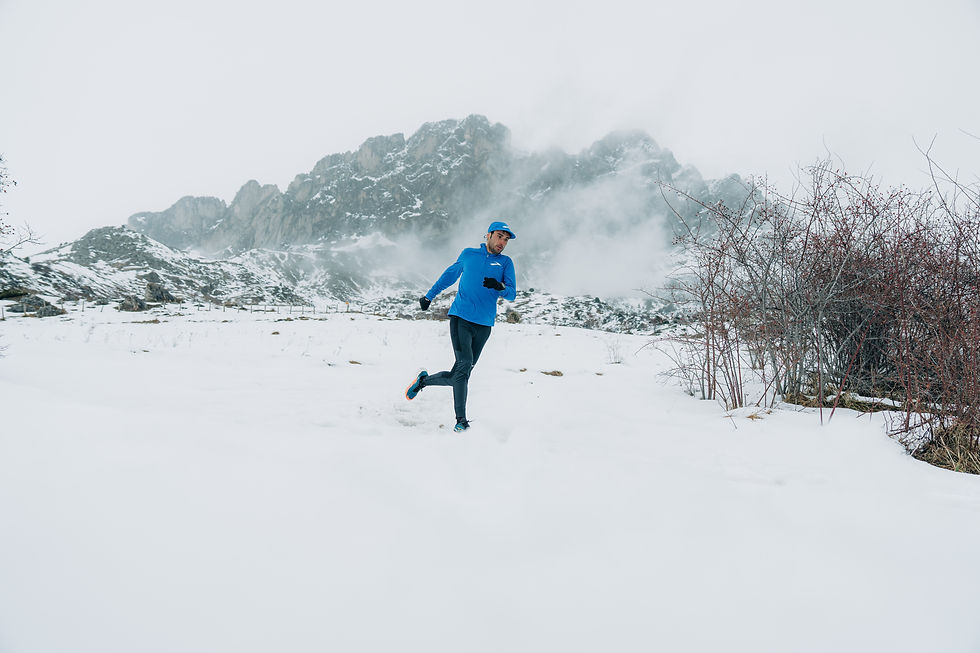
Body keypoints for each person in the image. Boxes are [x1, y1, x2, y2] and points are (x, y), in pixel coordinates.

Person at [405, 220, 517, 432]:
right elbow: (449, 276)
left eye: (506, 239)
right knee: (464, 363)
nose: (503, 242)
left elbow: (512, 293)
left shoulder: (505, 262)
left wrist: (500, 286)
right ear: (489, 234)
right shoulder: (468, 255)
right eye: (500, 236)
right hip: (461, 318)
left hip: (484, 325)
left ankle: (423, 381)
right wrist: (429, 296)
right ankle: (461, 421)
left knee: (460, 374)